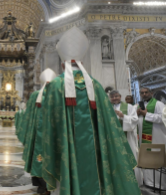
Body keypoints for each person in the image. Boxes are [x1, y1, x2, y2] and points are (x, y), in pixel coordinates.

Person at [41, 26, 140, 195]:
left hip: (65, 149)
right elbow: (110, 124)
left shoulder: (56, 85)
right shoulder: (96, 86)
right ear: (82, 62)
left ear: (63, 64)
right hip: (95, 151)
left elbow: (48, 123)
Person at [22, 68, 57, 195]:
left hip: (39, 133)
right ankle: (45, 185)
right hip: (51, 133)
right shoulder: (58, 92)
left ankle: (42, 185)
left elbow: (29, 117)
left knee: (39, 157)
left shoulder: (35, 96)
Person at [137, 87, 166, 190]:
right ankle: (149, 182)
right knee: (147, 157)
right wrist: (137, 115)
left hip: (156, 137)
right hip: (144, 138)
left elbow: (163, 118)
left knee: (156, 159)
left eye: (146, 92)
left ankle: (160, 185)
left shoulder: (159, 104)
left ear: (151, 93)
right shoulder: (140, 105)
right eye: (142, 93)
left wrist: (147, 114)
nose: (144, 94)